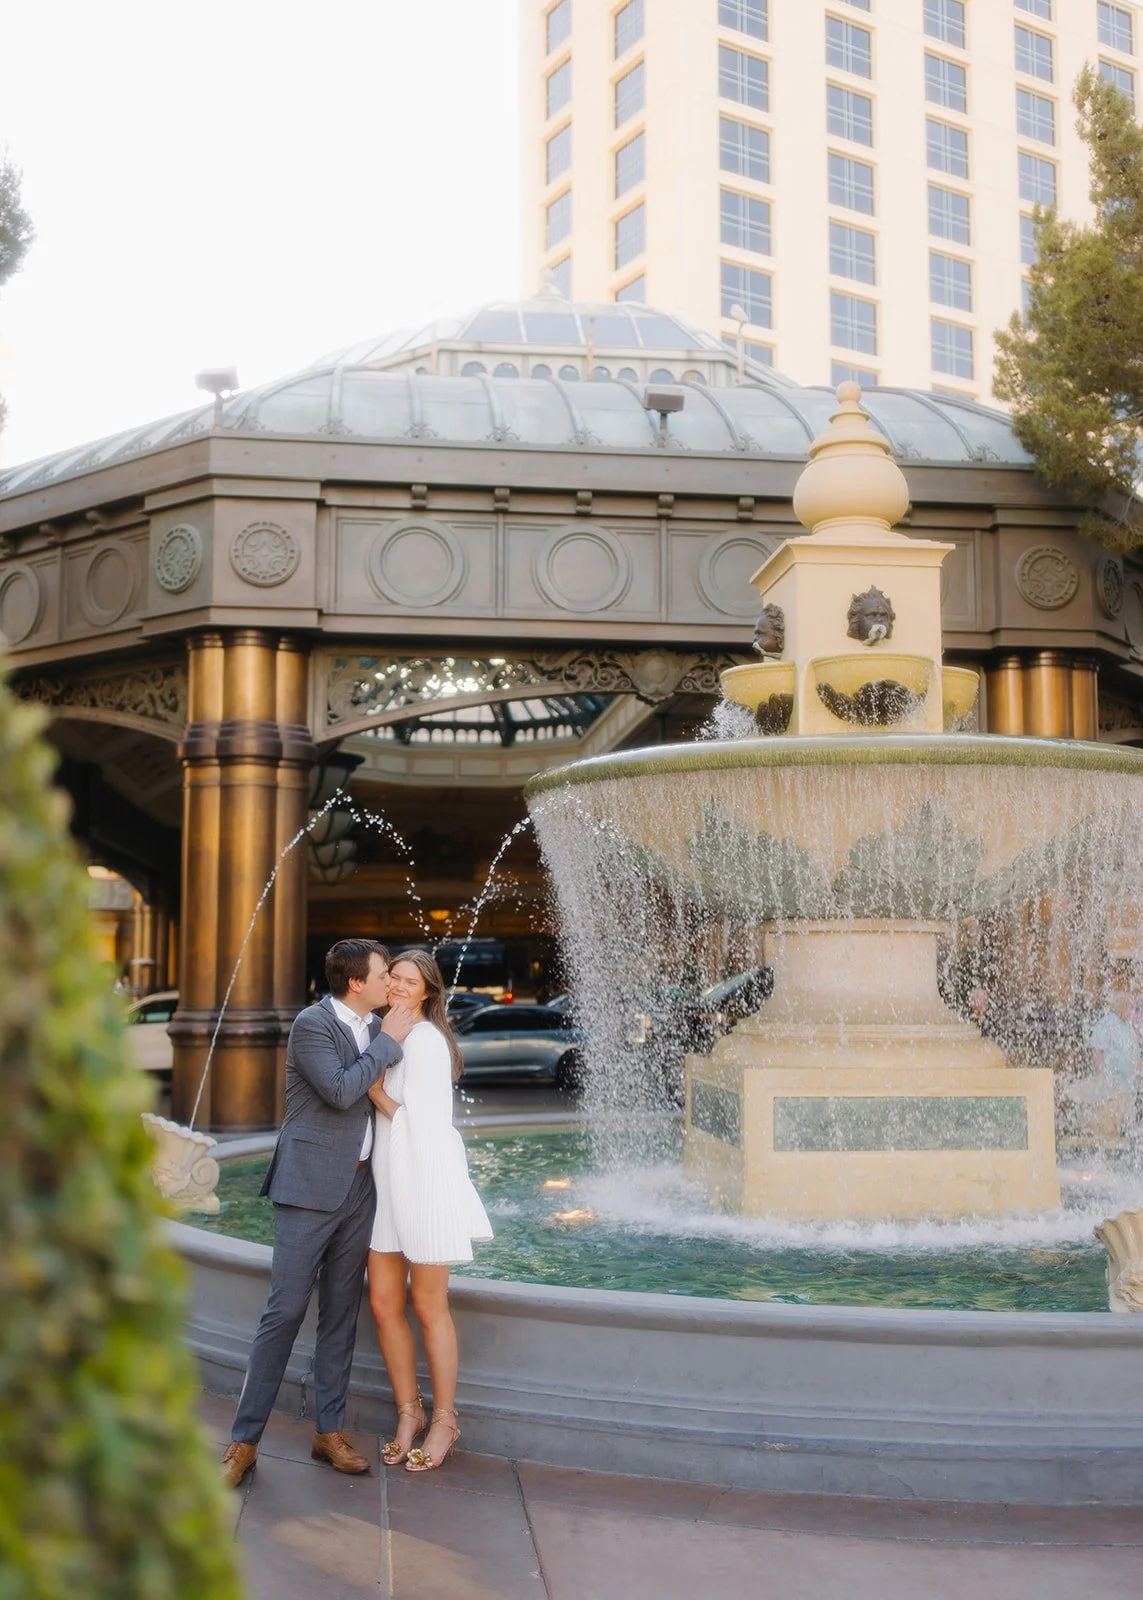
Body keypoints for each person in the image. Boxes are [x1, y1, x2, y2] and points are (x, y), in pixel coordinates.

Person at [220, 939, 416, 1487]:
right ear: (356, 982)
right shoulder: (312, 1024)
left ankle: (329, 1430)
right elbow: (339, 1090)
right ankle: (243, 1442)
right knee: (283, 1314)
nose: (389, 984)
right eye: (383, 975)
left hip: (360, 1191)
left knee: (339, 1314)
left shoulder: (376, 1029)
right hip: (308, 1188)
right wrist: (392, 1042)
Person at [366, 949, 493, 1473]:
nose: (396, 985)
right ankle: (409, 1410)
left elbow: (424, 1123)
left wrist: (371, 1086)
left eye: (408, 980)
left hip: (423, 1182)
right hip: (388, 1185)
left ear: (427, 992)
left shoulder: (426, 1041)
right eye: (392, 976)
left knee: (428, 1304)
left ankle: (445, 1419)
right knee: (382, 1302)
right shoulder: (384, 1033)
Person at [1085, 987, 1141, 1137]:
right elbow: (1096, 1049)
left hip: (1127, 1086)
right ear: (1120, 1005)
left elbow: (1134, 1056)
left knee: (1126, 1125)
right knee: (1110, 1126)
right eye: (1130, 1006)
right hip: (1113, 1087)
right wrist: (1104, 1075)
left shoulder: (1128, 1028)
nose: (1132, 1010)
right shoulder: (1107, 1023)